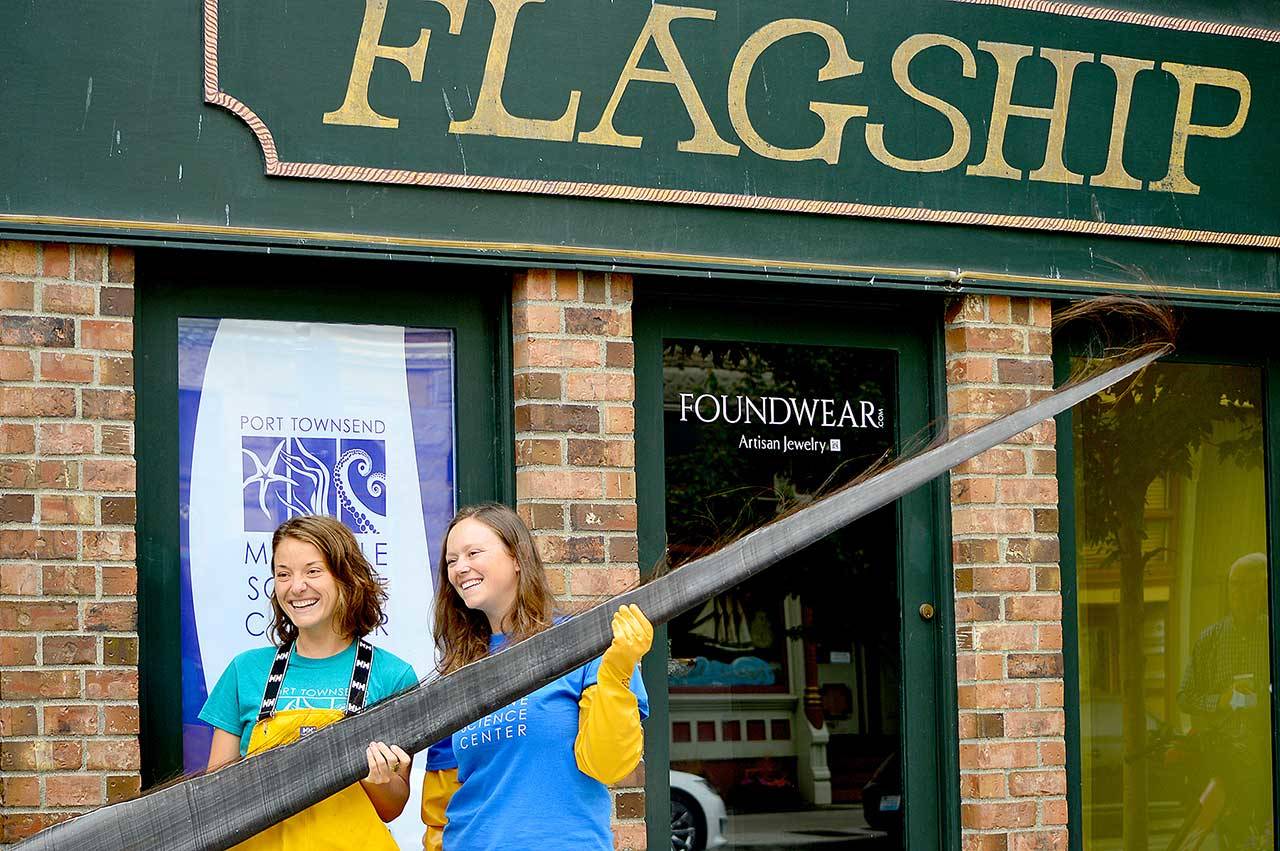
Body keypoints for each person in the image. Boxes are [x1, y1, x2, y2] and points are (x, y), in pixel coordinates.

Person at [421, 503, 651, 851]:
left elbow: (608, 765)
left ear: (517, 558)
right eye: (451, 561)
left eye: (473, 553)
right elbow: (440, 808)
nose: (460, 568)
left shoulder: (581, 645)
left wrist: (617, 672)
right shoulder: (457, 672)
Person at [199, 515, 420, 850]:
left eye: (313, 571)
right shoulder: (245, 671)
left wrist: (376, 778)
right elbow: (215, 801)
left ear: (346, 577)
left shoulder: (393, 676)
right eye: (283, 574)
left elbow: (392, 807)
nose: (296, 586)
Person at [1176, 552, 1272, 848]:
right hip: (1225, 762)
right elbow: (1185, 697)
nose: (1239, 593)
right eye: (1234, 585)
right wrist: (1221, 700)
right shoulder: (1211, 640)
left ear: (1264, 588)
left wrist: (1266, 696)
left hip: (1267, 756)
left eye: (1247, 585)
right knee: (1232, 839)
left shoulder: (1272, 634)